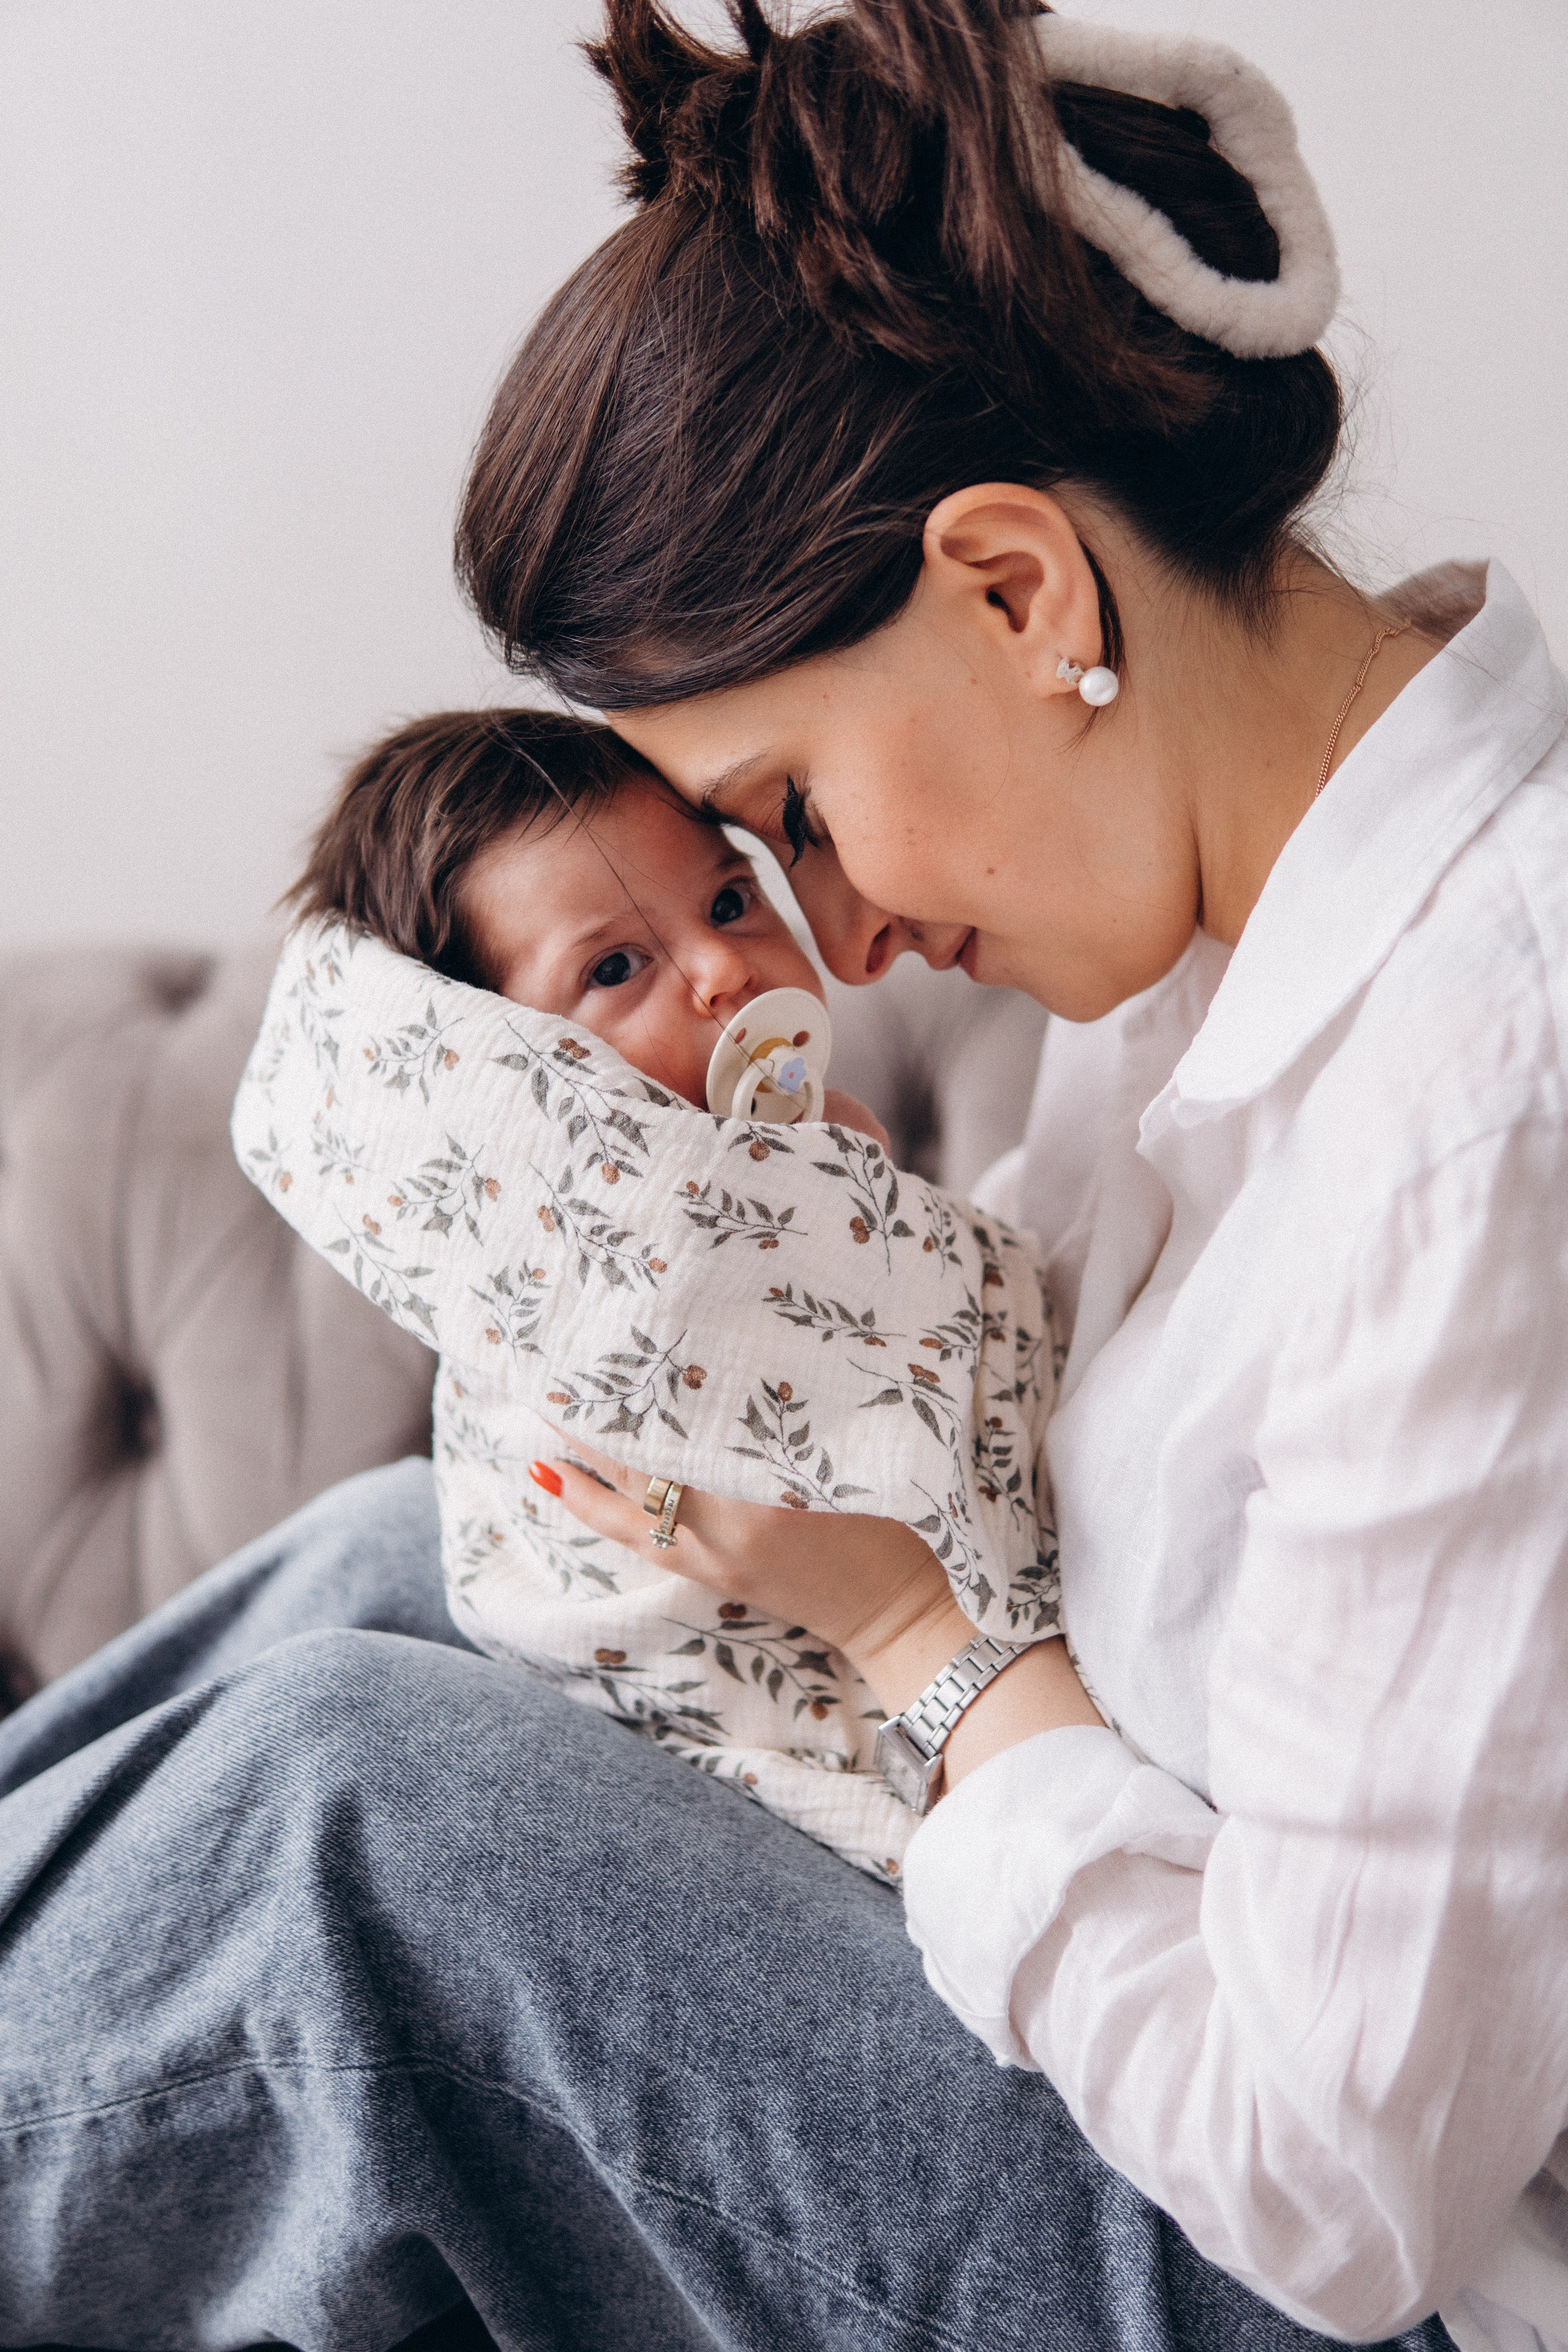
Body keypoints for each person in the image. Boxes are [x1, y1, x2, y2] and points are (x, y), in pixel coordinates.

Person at [0, 4, 1559, 2348]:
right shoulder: (1192, 987)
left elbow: (1335, 2184)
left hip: (1310, 2268)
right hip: (1117, 1972)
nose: (827, 948)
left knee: (347, 1817)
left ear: (1022, 593)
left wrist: (920, 1647)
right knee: (396, 1556)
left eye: (793, 814)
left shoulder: (1481, 1100)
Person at [270, 704, 1051, 1882]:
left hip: (947, 1685)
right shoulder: (595, 1265)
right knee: (357, 1565)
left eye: (728, 901)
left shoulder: (810, 1144)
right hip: (707, 1724)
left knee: (358, 1584)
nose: (724, 966)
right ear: (505, 1077)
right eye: (616, 968)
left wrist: (865, 1215)